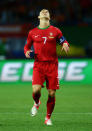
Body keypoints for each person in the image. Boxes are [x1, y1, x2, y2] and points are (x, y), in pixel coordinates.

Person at [24, 9, 70, 126]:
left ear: (49, 17)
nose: (45, 11)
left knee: (52, 94)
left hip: (52, 66)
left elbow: (63, 40)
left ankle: (48, 118)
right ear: (39, 17)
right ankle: (36, 102)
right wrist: (27, 51)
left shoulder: (55, 31)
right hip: (38, 65)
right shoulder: (32, 32)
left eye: (47, 11)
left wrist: (65, 44)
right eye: (42, 11)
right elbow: (27, 47)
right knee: (36, 90)